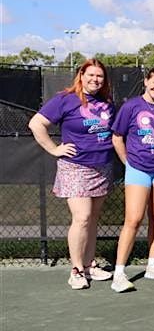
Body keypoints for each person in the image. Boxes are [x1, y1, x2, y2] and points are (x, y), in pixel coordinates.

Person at [28, 58, 115, 289]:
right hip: (75, 167)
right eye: (91, 75)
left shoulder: (107, 102)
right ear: (81, 76)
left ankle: (89, 264)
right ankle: (76, 270)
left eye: (100, 76)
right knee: (82, 217)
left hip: (102, 167)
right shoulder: (65, 99)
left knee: (93, 219)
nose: (95, 79)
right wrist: (54, 149)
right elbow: (36, 124)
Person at [110, 67, 154, 293]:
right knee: (134, 219)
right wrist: (127, 162)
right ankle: (119, 273)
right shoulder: (131, 107)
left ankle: (152, 264)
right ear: (146, 81)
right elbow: (117, 137)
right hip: (138, 169)